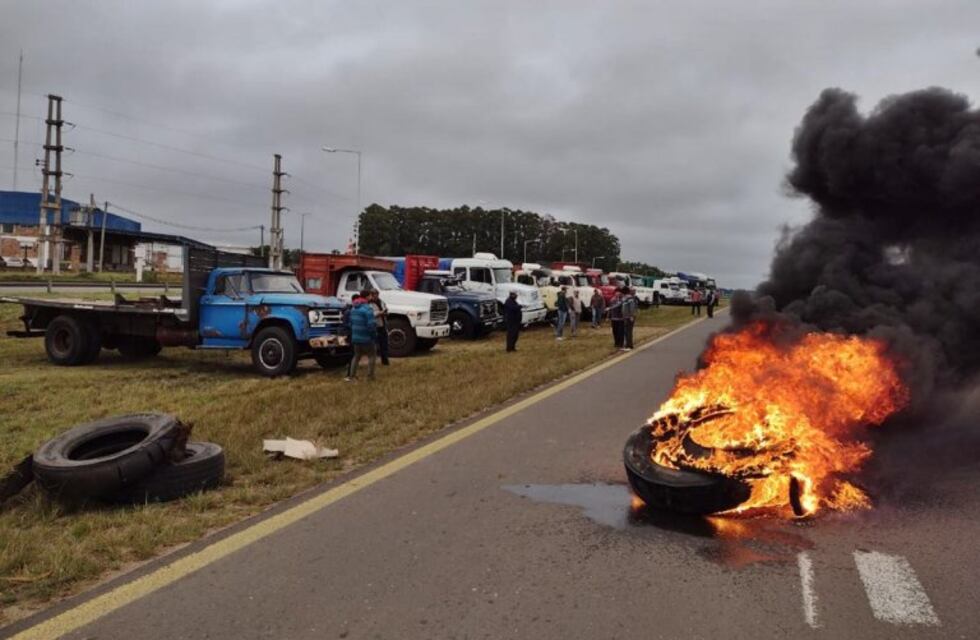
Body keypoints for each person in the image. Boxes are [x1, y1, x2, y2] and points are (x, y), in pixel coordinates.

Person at [346, 289, 377, 381]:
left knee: (356, 356)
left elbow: (350, 323)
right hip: (366, 337)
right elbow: (371, 325)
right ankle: (370, 376)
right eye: (370, 296)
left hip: (355, 337)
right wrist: (373, 335)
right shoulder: (368, 309)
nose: (371, 297)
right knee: (372, 355)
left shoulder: (353, 308)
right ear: (367, 297)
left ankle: (352, 376)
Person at [368, 289, 390, 365]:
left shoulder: (381, 302)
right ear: (371, 295)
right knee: (374, 345)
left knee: (384, 344)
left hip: (383, 325)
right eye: (374, 294)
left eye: (377, 294)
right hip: (375, 326)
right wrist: (380, 313)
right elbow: (371, 314)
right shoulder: (369, 303)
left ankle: (385, 360)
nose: (376, 296)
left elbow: (385, 309)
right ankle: (372, 361)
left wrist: (386, 313)